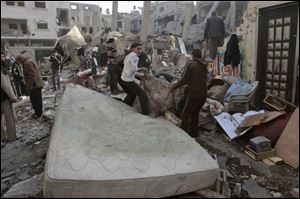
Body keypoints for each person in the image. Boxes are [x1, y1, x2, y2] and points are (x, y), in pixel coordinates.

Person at [172, 49, 208, 138]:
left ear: (193, 55)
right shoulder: (204, 65)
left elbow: (184, 79)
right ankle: (194, 133)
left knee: (186, 113)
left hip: (193, 94)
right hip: (203, 94)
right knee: (195, 113)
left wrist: (174, 86)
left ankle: (183, 135)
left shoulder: (191, 64)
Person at [119, 42, 149, 116]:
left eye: (141, 49)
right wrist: (140, 69)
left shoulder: (129, 56)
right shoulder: (133, 55)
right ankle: (145, 113)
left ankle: (125, 105)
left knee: (132, 93)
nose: (140, 51)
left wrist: (139, 74)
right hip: (128, 81)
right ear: (132, 49)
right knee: (143, 95)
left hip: (124, 79)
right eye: (138, 49)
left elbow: (128, 69)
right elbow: (132, 68)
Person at [16, 55, 43, 119]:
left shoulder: (26, 63)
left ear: (20, 60)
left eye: (18, 61)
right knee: (38, 100)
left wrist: (29, 85)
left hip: (34, 85)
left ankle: (38, 114)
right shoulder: (30, 61)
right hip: (38, 84)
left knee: (35, 100)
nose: (19, 63)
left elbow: (31, 75)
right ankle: (39, 113)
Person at [1, 51, 17, 143]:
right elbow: (5, 84)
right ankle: (11, 137)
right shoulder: (2, 68)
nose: (4, 58)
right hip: (4, 98)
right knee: (9, 118)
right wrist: (12, 96)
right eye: (2, 56)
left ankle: (2, 137)